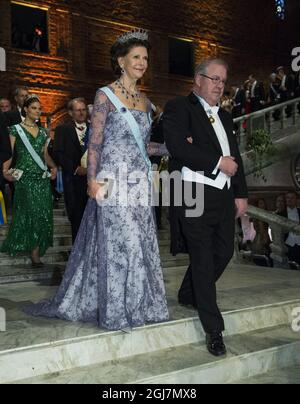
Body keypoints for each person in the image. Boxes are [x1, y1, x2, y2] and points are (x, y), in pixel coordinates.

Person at [24, 29, 169, 331]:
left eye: (145, 58)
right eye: (136, 57)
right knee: (121, 245)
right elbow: (97, 142)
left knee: (140, 244)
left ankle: (139, 305)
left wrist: (175, 147)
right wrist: (92, 179)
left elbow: (145, 147)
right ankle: (118, 310)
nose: (142, 62)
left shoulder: (145, 101)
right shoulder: (105, 95)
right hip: (112, 181)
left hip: (139, 183)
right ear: (121, 61)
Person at [164, 58, 248, 356]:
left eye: (223, 81)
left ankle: (189, 292)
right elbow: (178, 146)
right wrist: (215, 162)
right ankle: (214, 329)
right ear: (198, 79)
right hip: (193, 194)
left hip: (223, 196)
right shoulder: (179, 107)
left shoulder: (225, 117)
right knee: (201, 257)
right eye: (214, 79)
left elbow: (234, 155)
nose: (219, 85)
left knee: (223, 252)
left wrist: (241, 193)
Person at [1, 94, 57, 265]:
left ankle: (36, 252)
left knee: (42, 214)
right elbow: (10, 152)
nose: (37, 111)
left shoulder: (42, 131)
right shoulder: (15, 129)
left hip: (41, 178)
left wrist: (53, 167)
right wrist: (4, 169)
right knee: (30, 213)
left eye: (39, 109)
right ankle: (29, 248)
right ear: (25, 109)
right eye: (34, 108)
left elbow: (44, 155)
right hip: (24, 178)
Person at [53, 98, 89, 242]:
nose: (81, 113)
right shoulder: (63, 129)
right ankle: (77, 253)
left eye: (83, 109)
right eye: (78, 110)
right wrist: (75, 168)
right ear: (70, 113)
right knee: (77, 218)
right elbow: (58, 152)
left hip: (93, 180)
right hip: (73, 181)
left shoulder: (95, 129)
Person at [278, 191, 300, 265]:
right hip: (287, 246)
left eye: (292, 198)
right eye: (288, 198)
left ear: (296, 200)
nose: (290, 200)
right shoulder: (280, 214)